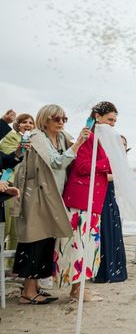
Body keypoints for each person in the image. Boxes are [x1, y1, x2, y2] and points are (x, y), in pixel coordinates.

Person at [12, 104, 90, 304]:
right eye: (57, 119)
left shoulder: (62, 137)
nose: (61, 122)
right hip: (37, 197)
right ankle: (28, 292)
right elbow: (56, 162)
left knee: (47, 242)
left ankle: (35, 287)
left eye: (64, 119)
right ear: (45, 119)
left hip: (53, 196)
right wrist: (77, 144)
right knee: (35, 241)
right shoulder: (37, 137)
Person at [59, 101, 117, 301]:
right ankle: (76, 290)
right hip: (81, 200)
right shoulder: (88, 137)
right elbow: (82, 166)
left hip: (93, 202)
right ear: (97, 117)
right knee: (79, 245)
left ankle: (80, 288)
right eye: (110, 119)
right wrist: (111, 162)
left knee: (88, 245)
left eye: (115, 121)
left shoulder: (100, 140)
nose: (112, 124)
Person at [94, 110, 128, 284]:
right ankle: (104, 270)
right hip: (101, 193)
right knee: (104, 228)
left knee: (113, 227)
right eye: (110, 120)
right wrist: (118, 175)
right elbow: (97, 173)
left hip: (111, 194)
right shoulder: (95, 145)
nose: (113, 123)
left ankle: (114, 268)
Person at [0, 113, 34, 271]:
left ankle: (12, 266)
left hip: (25, 188)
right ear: (17, 124)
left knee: (17, 228)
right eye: (24, 122)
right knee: (5, 226)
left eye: (31, 122)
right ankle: (4, 265)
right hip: (8, 185)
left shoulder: (34, 140)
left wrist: (20, 152)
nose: (28, 125)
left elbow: (13, 157)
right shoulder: (10, 137)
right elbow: (7, 161)